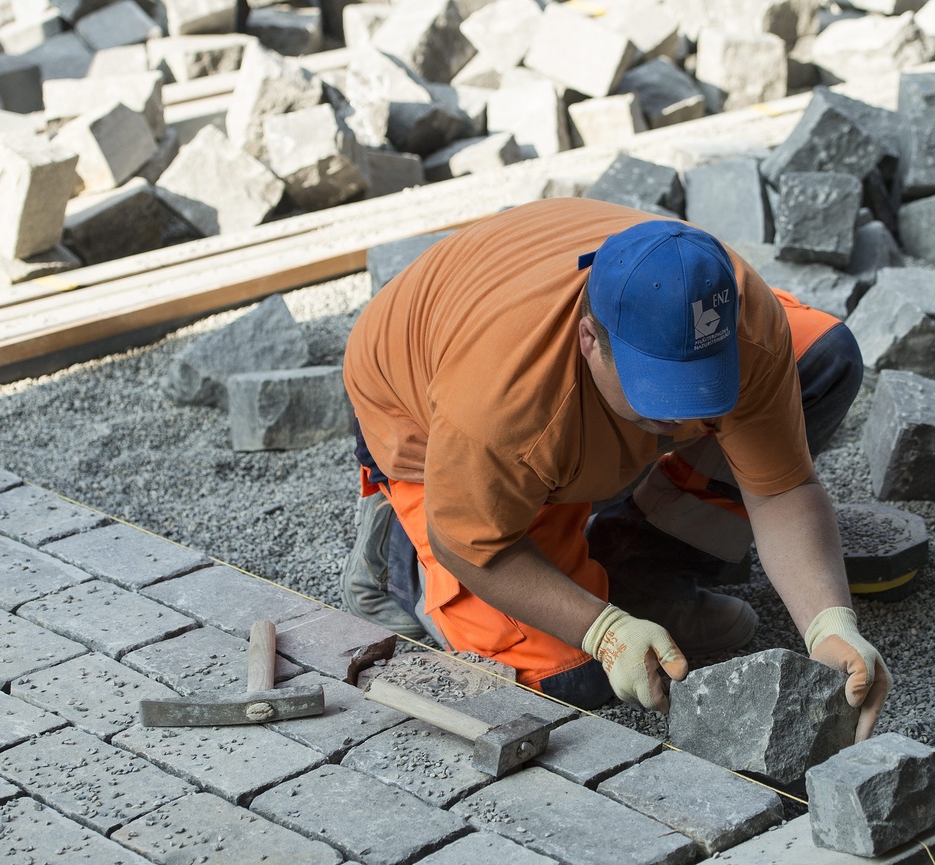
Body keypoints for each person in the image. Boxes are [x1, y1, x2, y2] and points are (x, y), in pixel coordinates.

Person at [341, 197, 890, 739]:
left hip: (553, 410)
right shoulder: (501, 402)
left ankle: (640, 568)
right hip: (426, 411)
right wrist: (603, 632)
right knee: (571, 677)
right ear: (589, 340)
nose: (686, 417)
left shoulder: (742, 320)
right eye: (661, 391)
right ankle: (399, 560)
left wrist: (828, 623)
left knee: (820, 359)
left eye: (704, 387)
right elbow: (471, 546)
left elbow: (780, 489)